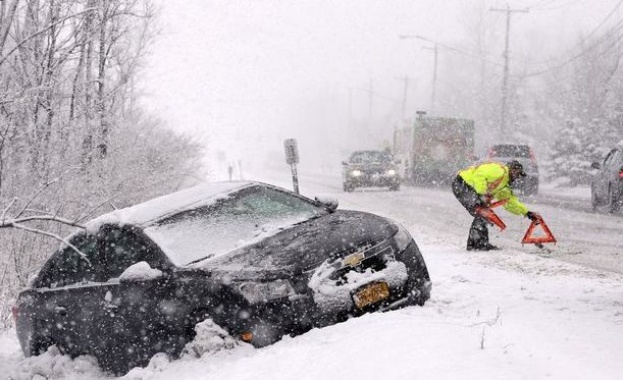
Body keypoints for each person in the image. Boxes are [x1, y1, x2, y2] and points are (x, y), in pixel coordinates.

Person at [451, 160, 539, 251]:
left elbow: (510, 202)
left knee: (483, 213)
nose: (517, 177)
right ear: (512, 169)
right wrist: (482, 193)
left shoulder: (503, 185)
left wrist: (527, 213)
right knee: (483, 212)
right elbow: (479, 174)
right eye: (517, 173)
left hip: (466, 188)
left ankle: (474, 245)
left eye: (519, 175)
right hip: (462, 184)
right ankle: (479, 245)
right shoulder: (500, 171)